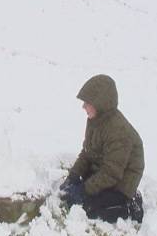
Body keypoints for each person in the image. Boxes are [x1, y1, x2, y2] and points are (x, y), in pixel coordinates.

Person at [59, 74, 145, 223]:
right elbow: (87, 152)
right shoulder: (95, 120)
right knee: (71, 197)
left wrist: (84, 191)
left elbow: (112, 173)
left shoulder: (119, 131)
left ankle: (130, 205)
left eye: (87, 102)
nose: (83, 107)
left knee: (89, 209)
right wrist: (73, 176)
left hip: (122, 182)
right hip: (103, 169)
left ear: (100, 103)